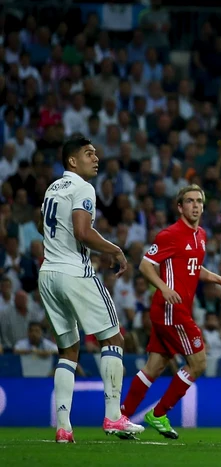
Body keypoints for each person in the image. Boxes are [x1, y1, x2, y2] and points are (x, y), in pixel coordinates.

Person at [38, 136, 144, 443]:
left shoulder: (52, 188)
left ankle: (63, 427)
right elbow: (83, 232)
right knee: (114, 337)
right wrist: (116, 250)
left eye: (96, 153)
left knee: (68, 350)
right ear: (73, 161)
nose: (95, 158)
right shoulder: (83, 188)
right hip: (74, 271)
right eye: (88, 154)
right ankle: (113, 417)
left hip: (48, 273)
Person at [119, 185, 221, 439]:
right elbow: (145, 265)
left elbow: (194, 268)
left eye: (199, 201)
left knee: (155, 366)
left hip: (177, 310)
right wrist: (163, 287)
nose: (195, 205)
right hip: (171, 309)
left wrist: (219, 279)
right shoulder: (170, 234)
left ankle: (121, 417)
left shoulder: (201, 234)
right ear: (180, 207)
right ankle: (159, 413)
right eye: (190, 201)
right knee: (199, 362)